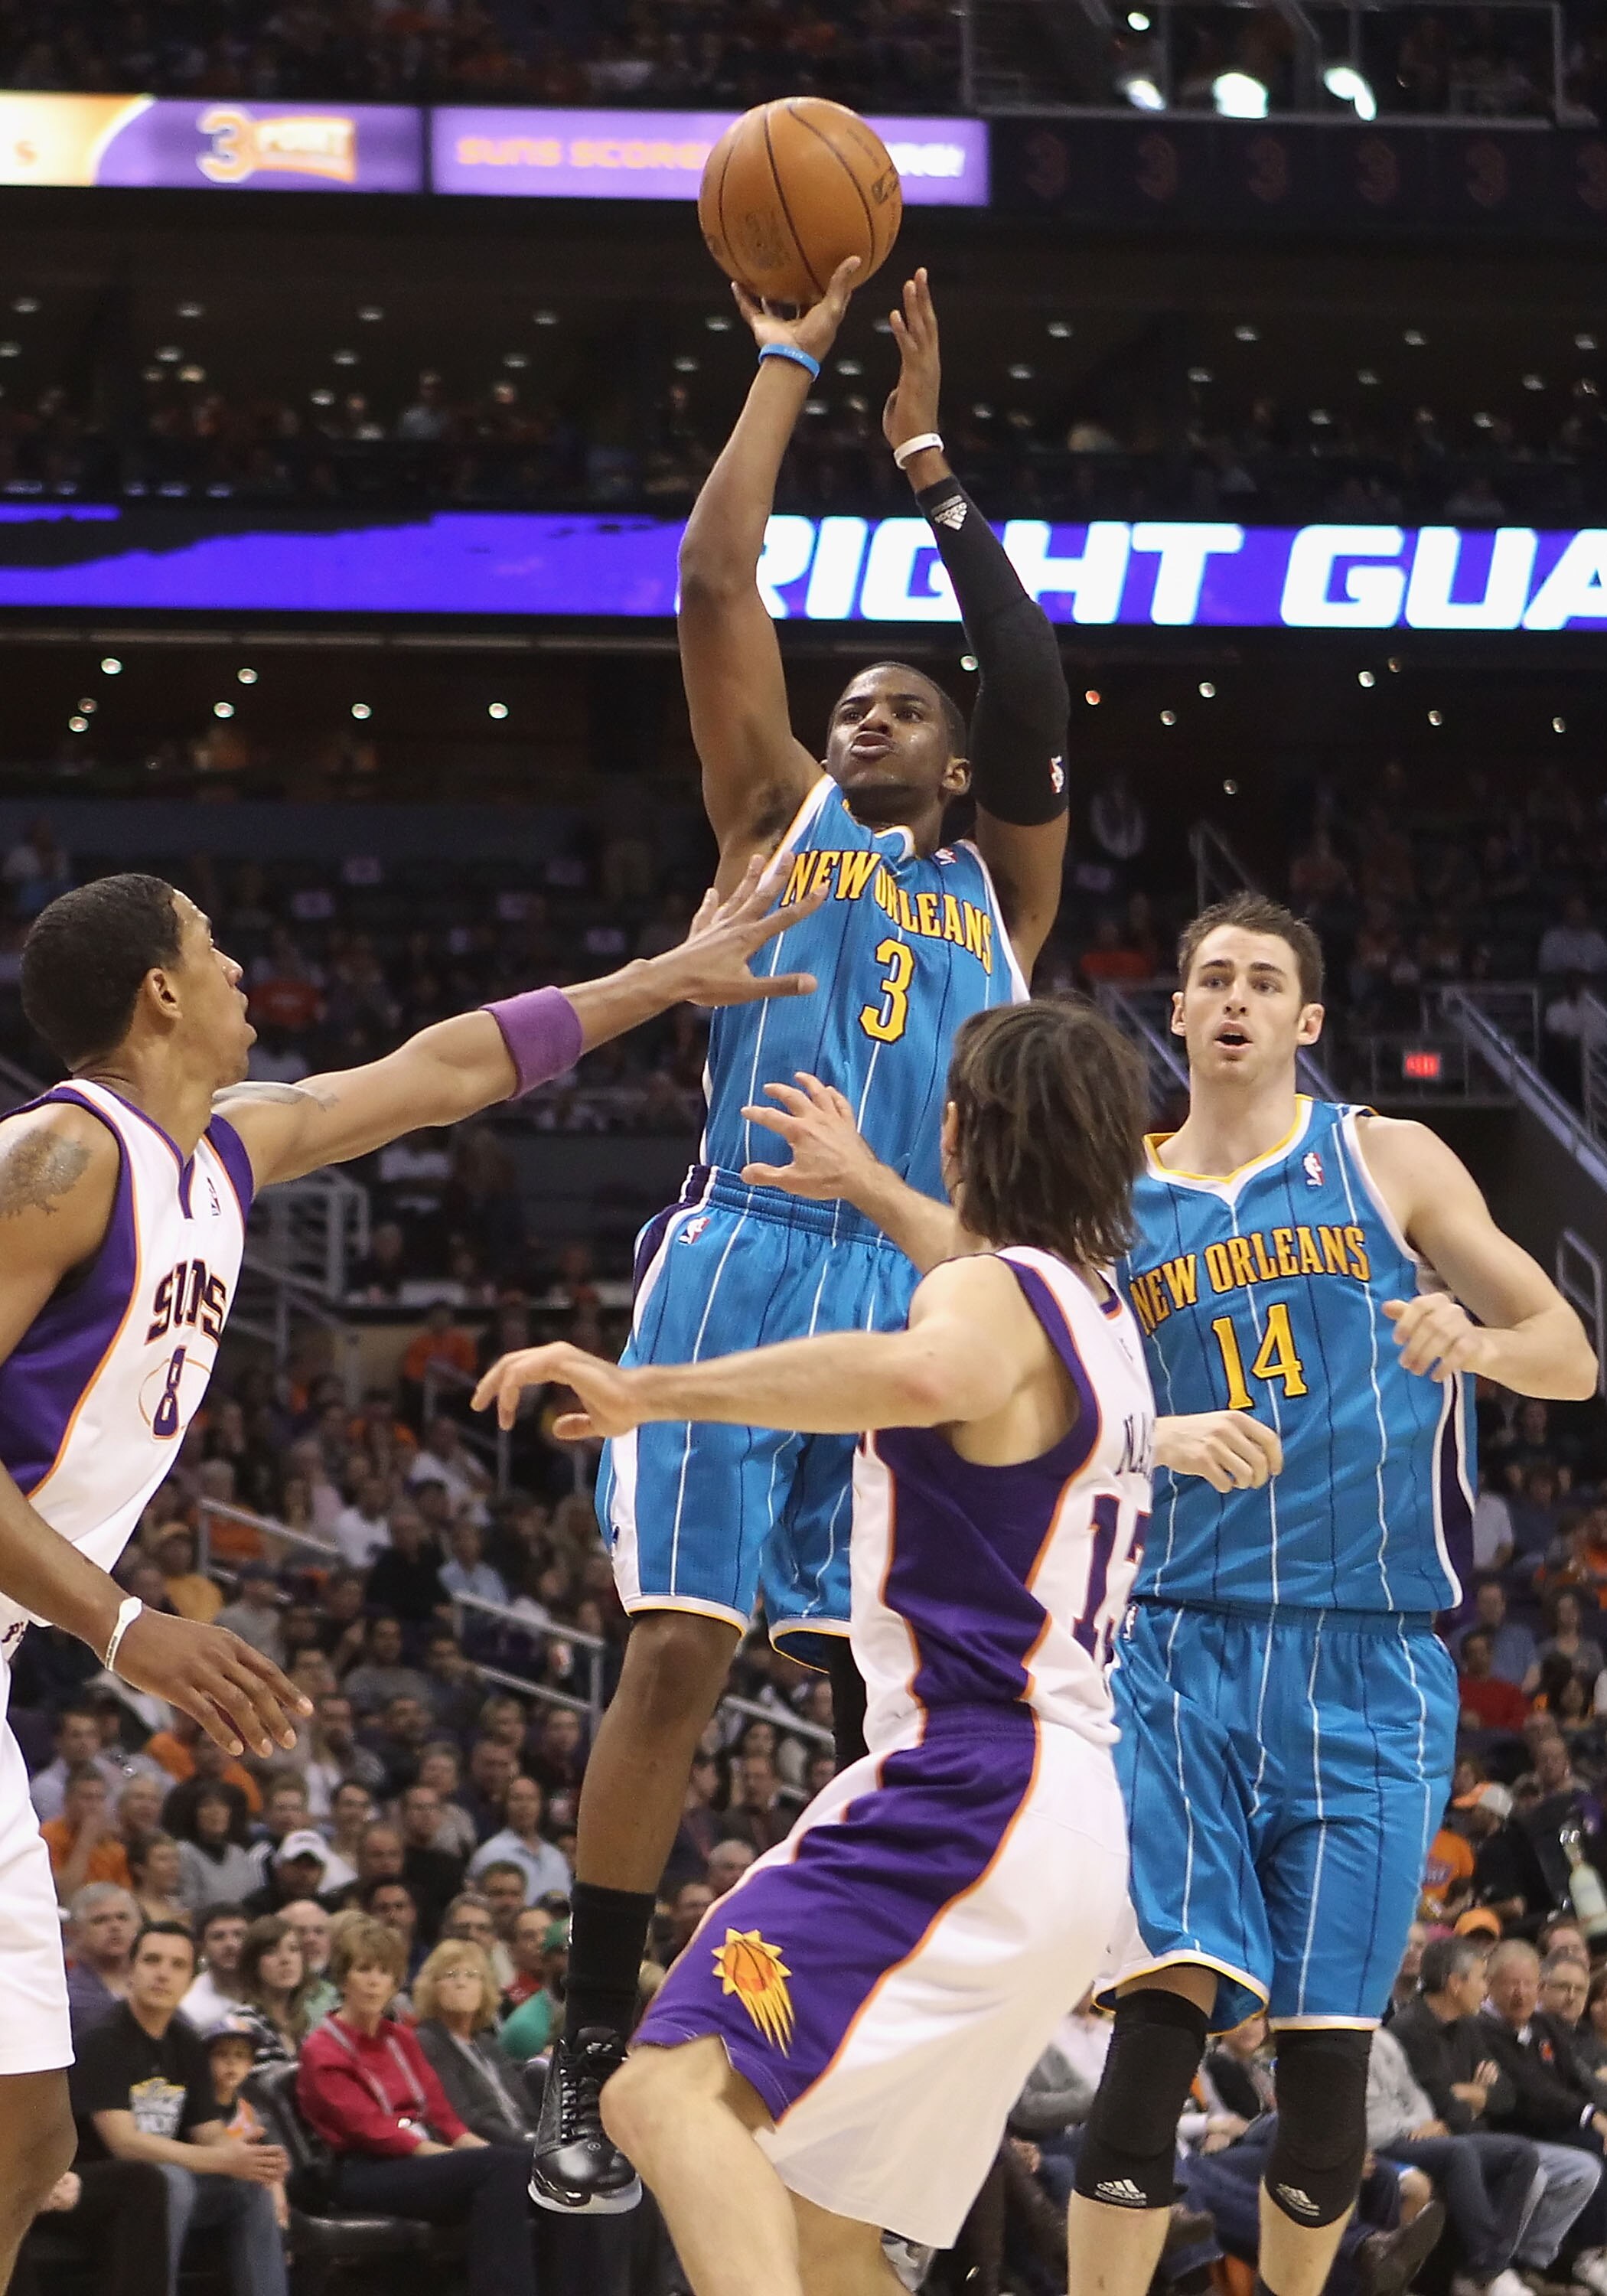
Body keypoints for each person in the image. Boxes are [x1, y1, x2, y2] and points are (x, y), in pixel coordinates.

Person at [735, 889, 1598, 2296]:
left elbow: (1572, 1351)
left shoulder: (1389, 1160)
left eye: (1267, 980)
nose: (1240, 998)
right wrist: (881, 1190)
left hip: (1368, 1656)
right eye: (1214, 978)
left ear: (1307, 1021)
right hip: (1172, 1649)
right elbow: (985, 1290)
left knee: (1325, 2102)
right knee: (1160, 2015)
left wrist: (1479, 1341)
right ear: (1181, 1013)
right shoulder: (1111, 1198)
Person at [0, 843, 821, 2265]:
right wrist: (129, 1629)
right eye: (214, 948)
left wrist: (664, 981)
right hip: (58, 1626)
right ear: (158, 993)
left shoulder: (227, 1147)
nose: (241, 969)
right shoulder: (61, 1157)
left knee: (28, 2138)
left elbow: (446, 1069)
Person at [539, 259, 1073, 2214]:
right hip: (750, 1247)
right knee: (676, 1648)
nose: (868, 705)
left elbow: (1035, 684)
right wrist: (784, 364)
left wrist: (931, 460)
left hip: (930, 1277)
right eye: (855, 692)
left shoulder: (1001, 873)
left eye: (905, 700)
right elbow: (709, 585)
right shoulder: (773, 814)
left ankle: (877, 2063)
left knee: (896, 1692)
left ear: (958, 759)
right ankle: (594, 2047)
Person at [475, 999, 1183, 2283]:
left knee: (661, 2098)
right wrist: (868, 1187)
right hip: (1066, 1833)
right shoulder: (1097, 1314)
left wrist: (654, 1389)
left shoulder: (985, 1301)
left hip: (965, 1794)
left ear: (957, 1129)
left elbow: (924, 1368)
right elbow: (967, 1288)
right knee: (825, 2234)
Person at [296, 1918, 538, 2296]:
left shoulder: (402, 2039)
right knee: (500, 2168)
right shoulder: (322, 2048)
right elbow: (372, 2130)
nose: (375, 1981)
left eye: (385, 1972)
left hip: (422, 2161)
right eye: (364, 1970)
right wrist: (450, 2160)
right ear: (343, 1979)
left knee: (540, 2174)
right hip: (363, 2169)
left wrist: (494, 2157)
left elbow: (446, 2119)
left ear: (396, 1983)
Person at [69, 1922, 290, 2296]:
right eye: (152, 1960)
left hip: (166, 2181)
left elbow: (209, 2132)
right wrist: (225, 2161)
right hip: (91, 2184)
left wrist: (256, 2165)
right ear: (130, 1971)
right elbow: (125, 2143)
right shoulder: (103, 2039)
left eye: (177, 1965)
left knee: (248, 2191)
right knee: (169, 2182)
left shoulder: (186, 2042)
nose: (163, 1973)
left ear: (191, 1978)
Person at [1478, 1939, 1607, 2287]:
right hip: (1511, 2129)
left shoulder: (1544, 2025)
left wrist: (1601, 2110)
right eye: (1511, 1984)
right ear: (1489, 1983)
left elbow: (1580, 2080)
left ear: (1538, 1986)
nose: (1520, 1993)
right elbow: (1530, 2091)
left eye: (1528, 1984)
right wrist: (1591, 2116)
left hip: (1553, 2125)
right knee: (1592, 2146)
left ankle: (1561, 2257)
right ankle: (1578, 2255)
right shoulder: (1480, 2030)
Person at [412, 1941, 537, 2143]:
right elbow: (467, 2117)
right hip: (487, 2148)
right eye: (451, 1975)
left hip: (526, 2140)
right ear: (432, 1987)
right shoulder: (427, 2041)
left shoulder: (487, 2043)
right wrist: (524, 2143)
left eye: (471, 1976)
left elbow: (525, 2105)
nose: (461, 1983)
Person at [468, 1773, 569, 1905]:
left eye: (531, 1799)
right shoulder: (490, 1853)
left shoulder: (556, 1857)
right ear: (505, 1805)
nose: (524, 1805)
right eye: (517, 1799)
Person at [223, 1916, 311, 2063]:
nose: (286, 1960)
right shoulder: (243, 2023)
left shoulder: (305, 2026)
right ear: (253, 1964)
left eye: (293, 1949)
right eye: (271, 1951)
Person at [64, 1883, 141, 2045]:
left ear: (138, 1925)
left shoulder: (155, 1980)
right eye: (100, 1920)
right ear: (75, 1932)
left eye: (122, 1917)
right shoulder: (66, 1993)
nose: (115, 1927)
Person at [43, 1765, 131, 1902]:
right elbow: (64, 1894)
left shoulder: (114, 1846)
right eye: (87, 1798)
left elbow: (125, 1897)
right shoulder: (49, 1835)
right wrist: (86, 1839)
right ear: (68, 1802)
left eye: (100, 1798)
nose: (94, 1806)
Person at [178, 1903, 249, 2033]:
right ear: (202, 1947)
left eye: (239, 1935)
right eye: (218, 1937)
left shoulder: (271, 1987)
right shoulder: (190, 2008)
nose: (230, 1944)